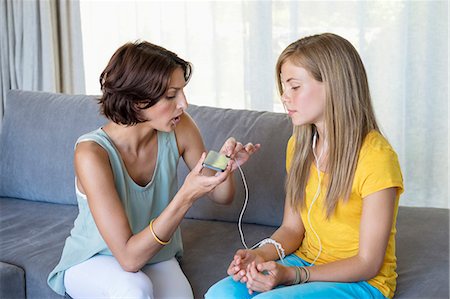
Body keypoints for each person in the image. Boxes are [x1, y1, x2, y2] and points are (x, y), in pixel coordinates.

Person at [47, 41, 259, 298]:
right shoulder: (92, 153)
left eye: (182, 92)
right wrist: (185, 196)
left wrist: (225, 165)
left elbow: (223, 197)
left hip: (157, 254)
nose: (184, 103)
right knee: (134, 290)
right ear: (137, 100)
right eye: (171, 95)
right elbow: (128, 259)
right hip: (95, 258)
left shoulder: (180, 127)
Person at [206, 33, 403, 299]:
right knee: (221, 294)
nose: (285, 97)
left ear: (334, 85)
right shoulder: (299, 147)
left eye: (295, 87)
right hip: (306, 261)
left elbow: (368, 262)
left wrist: (293, 275)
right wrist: (259, 255)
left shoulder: (376, 157)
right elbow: (292, 229)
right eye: (284, 88)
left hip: (362, 280)